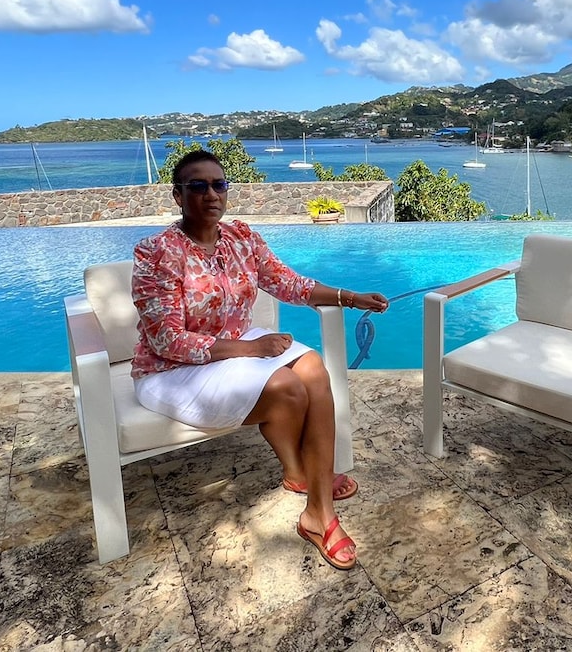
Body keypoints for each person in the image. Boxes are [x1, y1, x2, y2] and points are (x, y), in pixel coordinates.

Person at [130, 149, 389, 570]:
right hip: (173, 370)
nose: (211, 194)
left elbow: (288, 283)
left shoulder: (241, 238)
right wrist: (252, 349)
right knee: (286, 388)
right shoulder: (157, 253)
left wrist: (349, 296)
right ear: (177, 195)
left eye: (218, 184)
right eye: (197, 186)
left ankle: (315, 505)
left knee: (313, 369)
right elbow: (165, 340)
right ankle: (302, 478)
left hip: (233, 346)